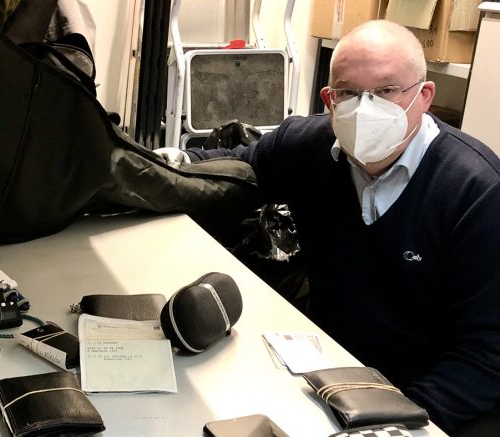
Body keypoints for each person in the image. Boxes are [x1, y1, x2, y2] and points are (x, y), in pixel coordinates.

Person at [162, 20, 500, 434]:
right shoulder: (306, 146)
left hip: (427, 396)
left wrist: (396, 423)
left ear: (424, 96)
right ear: (329, 99)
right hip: (329, 371)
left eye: (386, 91)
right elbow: (231, 170)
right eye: (348, 93)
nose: (365, 108)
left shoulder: (477, 191)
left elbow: (486, 354)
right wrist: (157, 166)